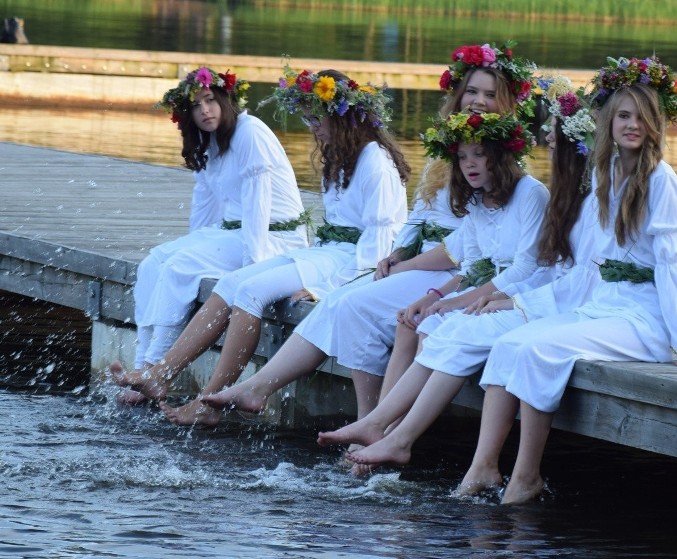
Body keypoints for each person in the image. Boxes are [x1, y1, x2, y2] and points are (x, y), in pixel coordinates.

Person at [172, 42, 536, 430]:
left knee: (350, 304)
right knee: (344, 303)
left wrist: (404, 266)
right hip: (425, 260)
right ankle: (317, 407)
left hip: (455, 269)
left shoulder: (498, 159)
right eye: (472, 92)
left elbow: (474, 246)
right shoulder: (450, 145)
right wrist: (397, 253)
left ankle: (363, 420)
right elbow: (418, 213)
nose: (477, 101)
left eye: (488, 94)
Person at [463, 57, 677, 505]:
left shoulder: (661, 181)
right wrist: (521, 304)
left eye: (642, 117)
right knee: (511, 343)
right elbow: (589, 269)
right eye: (624, 115)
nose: (632, 125)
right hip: (605, 303)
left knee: (538, 348)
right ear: (608, 122)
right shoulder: (604, 176)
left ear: (655, 125)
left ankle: (526, 475)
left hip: (644, 317)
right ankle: (484, 467)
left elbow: (671, 265)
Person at [315, 77, 599, 468]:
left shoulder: (530, 193)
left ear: (498, 157)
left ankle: (391, 432)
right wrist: (434, 297)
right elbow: (470, 262)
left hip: (523, 293)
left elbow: (525, 268)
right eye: (462, 157)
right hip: (490, 290)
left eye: (478, 155)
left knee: (441, 327)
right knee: (413, 321)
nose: (468, 165)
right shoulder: (480, 200)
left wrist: (457, 302)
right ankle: (381, 428)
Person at [111, 68, 410, 421]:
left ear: (341, 118)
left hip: (348, 262)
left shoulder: (374, 159)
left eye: (317, 120)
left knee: (251, 292)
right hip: (328, 251)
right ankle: (161, 372)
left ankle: (209, 403)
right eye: (309, 119)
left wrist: (320, 288)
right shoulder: (340, 155)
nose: (312, 127)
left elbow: (380, 240)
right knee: (231, 283)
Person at [115, 66, 309, 404]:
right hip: (231, 233)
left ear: (225, 100)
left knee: (180, 266)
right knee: (154, 262)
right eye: (196, 105)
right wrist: (194, 244)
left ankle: (158, 370)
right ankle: (142, 367)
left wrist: (253, 267)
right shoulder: (209, 143)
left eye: (210, 100)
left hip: (273, 238)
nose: (205, 110)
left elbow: (258, 207)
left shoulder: (250, 133)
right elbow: (204, 209)